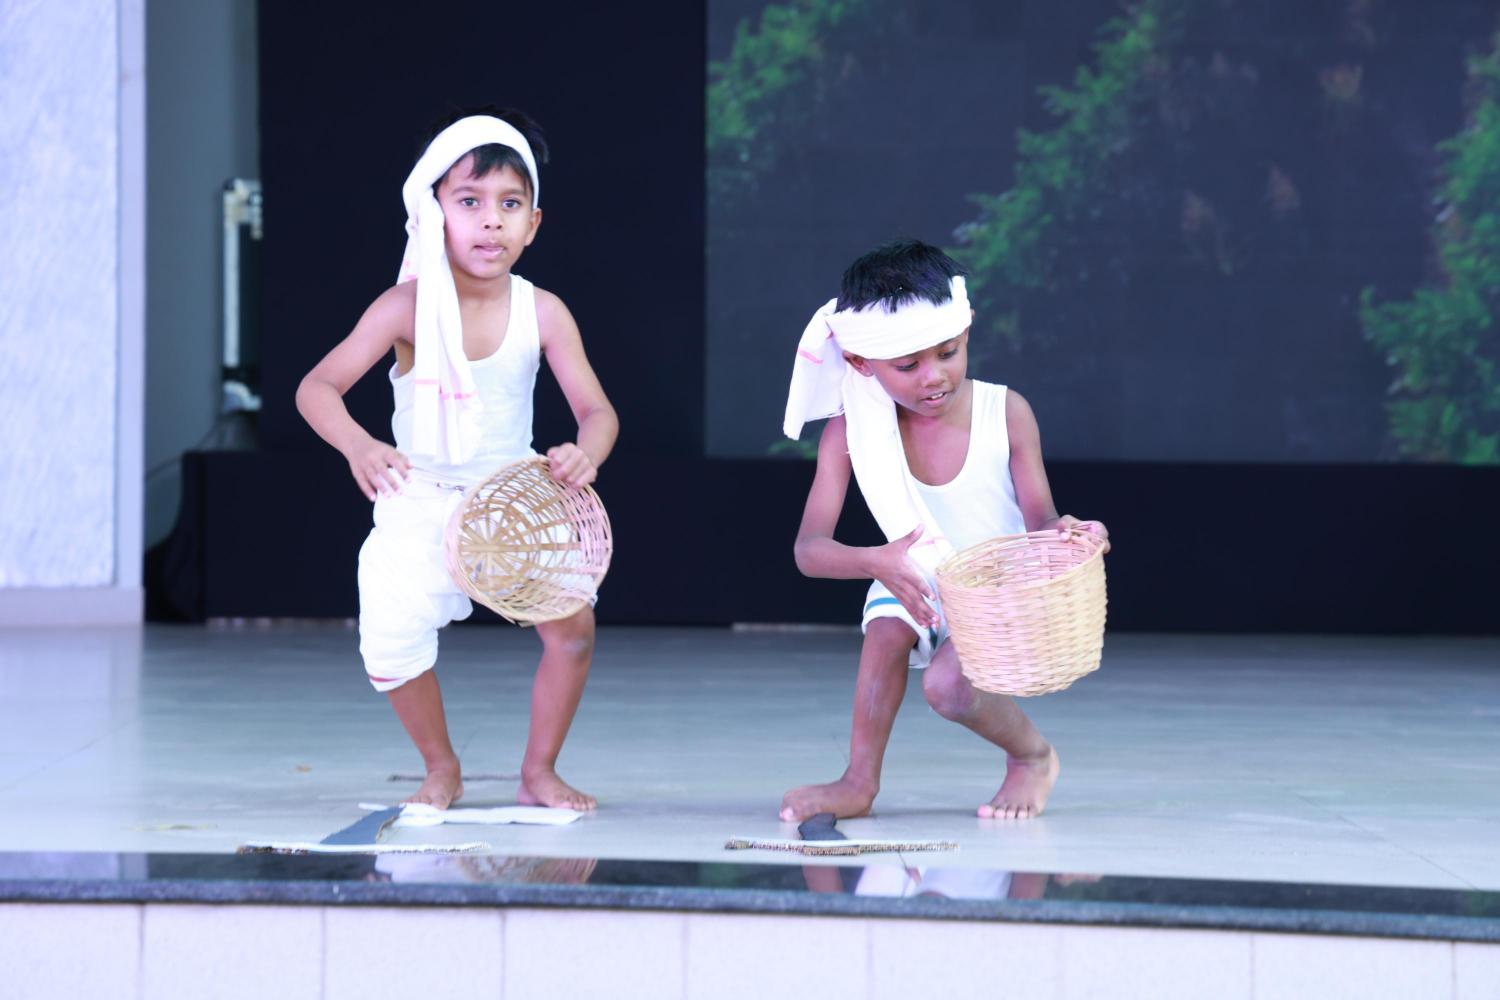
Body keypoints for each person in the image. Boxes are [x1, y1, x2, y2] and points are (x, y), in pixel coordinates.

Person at [296, 109, 617, 811]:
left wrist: (584, 453)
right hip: (421, 496)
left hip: (514, 500)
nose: (491, 221)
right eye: (469, 201)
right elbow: (316, 387)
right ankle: (441, 766)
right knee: (390, 640)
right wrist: (359, 443)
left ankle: (538, 771)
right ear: (431, 213)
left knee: (573, 630)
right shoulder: (404, 307)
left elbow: (599, 413)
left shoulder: (544, 311)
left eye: (510, 204)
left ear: (534, 223)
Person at [780, 239, 1107, 822]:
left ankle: (1031, 756)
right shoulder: (849, 431)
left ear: (967, 330)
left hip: (1000, 585)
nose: (934, 377)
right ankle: (858, 782)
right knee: (887, 625)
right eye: (907, 366)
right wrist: (875, 562)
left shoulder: (1006, 412)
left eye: (948, 353)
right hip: (917, 576)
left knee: (947, 688)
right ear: (861, 363)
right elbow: (809, 550)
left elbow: (1040, 520)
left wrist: (1068, 533)